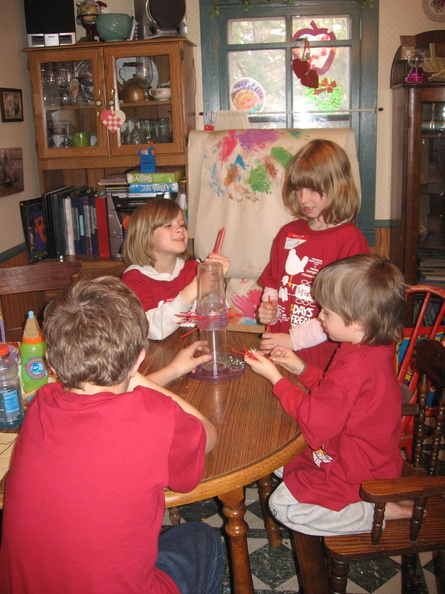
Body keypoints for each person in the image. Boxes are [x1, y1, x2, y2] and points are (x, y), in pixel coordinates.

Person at [0, 276, 224, 594]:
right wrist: (136, 376)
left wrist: (168, 371)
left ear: (50, 362)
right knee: (202, 538)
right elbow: (207, 434)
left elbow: (99, 392)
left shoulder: (41, 405)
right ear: (138, 361)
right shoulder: (156, 416)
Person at [245, 254, 410, 536]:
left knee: (282, 506)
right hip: (359, 453)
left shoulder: (356, 363)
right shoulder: (367, 347)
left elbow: (315, 419)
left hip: (357, 471)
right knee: (278, 460)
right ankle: (366, 505)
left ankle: (374, 511)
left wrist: (275, 378)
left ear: (358, 321)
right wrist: (302, 368)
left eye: (327, 313)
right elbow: (337, 393)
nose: (319, 317)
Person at [257, 139, 369, 370]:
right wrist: (269, 305)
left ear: (339, 186)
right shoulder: (288, 233)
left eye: (313, 190)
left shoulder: (350, 241)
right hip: (281, 350)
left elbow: (344, 314)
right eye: (298, 189)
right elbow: (273, 284)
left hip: (322, 360)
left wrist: (293, 339)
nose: (303, 199)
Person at [122, 197, 230, 340]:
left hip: (195, 350)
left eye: (182, 224)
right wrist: (193, 289)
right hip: (155, 359)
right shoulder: (134, 279)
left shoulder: (195, 269)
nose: (180, 229)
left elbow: (216, 321)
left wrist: (216, 283)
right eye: (168, 225)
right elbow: (151, 330)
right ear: (145, 236)